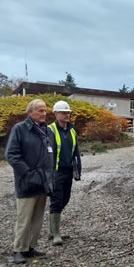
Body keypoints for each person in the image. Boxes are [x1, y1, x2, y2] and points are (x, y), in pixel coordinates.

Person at [5, 99, 54, 264]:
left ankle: (31, 247)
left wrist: (50, 177)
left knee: (38, 218)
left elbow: (50, 156)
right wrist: (27, 173)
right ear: (30, 112)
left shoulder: (47, 131)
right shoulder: (20, 129)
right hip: (26, 182)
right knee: (24, 218)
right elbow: (11, 155)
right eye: (40, 110)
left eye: (45, 111)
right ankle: (19, 249)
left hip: (42, 183)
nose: (43, 114)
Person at [48, 100, 82, 245]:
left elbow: (76, 152)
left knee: (65, 199)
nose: (67, 115)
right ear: (56, 114)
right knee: (56, 201)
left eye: (68, 112)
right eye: (63, 112)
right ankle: (55, 234)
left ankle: (52, 229)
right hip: (55, 172)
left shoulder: (72, 131)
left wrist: (77, 170)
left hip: (68, 171)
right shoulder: (50, 130)